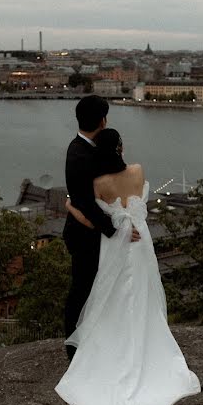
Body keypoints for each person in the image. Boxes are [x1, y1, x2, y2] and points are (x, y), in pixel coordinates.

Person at [55, 128, 201, 405]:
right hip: (141, 241)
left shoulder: (99, 184)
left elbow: (88, 218)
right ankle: (145, 341)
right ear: (120, 148)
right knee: (143, 293)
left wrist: (69, 205)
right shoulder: (137, 171)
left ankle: (114, 346)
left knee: (113, 294)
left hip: (116, 244)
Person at [62, 95, 118, 362]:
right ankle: (73, 350)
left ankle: (90, 342)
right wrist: (115, 230)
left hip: (90, 231)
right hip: (84, 235)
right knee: (81, 291)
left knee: (96, 290)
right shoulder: (80, 155)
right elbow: (86, 204)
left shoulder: (85, 149)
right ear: (102, 121)